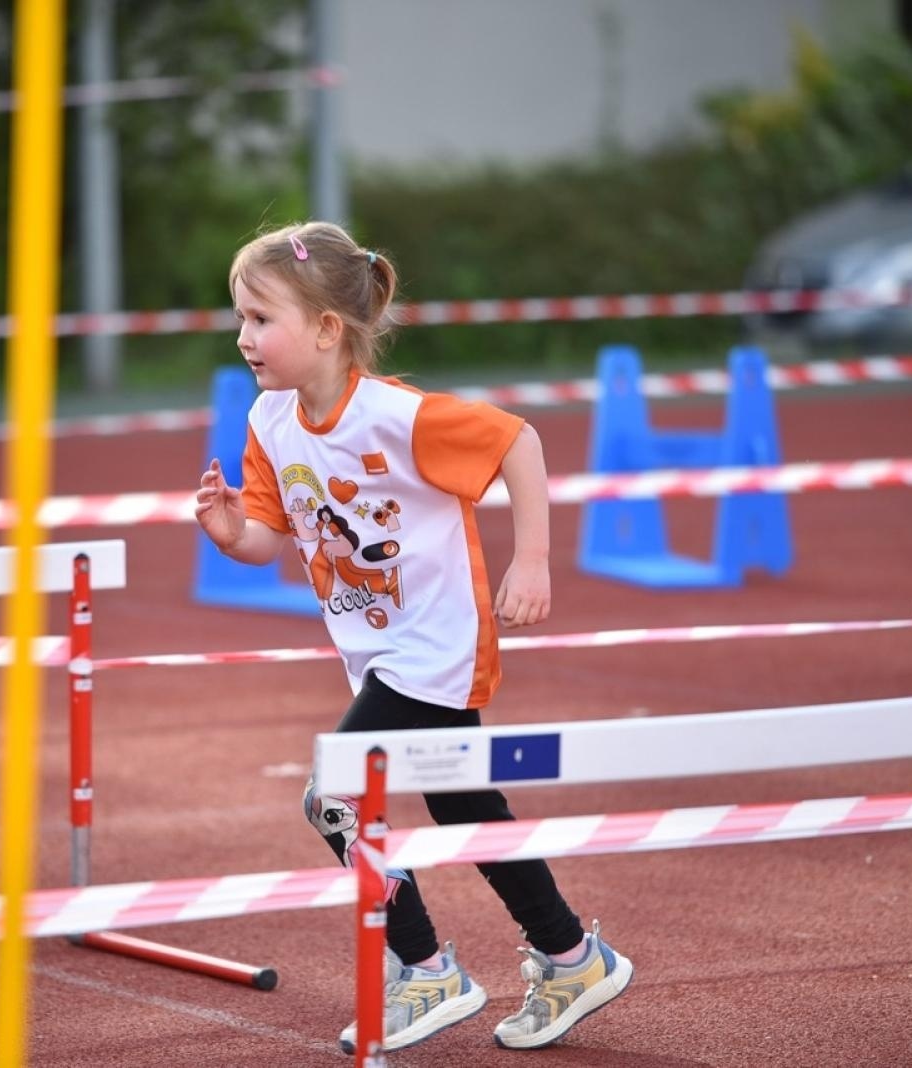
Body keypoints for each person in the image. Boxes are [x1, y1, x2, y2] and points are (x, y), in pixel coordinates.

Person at [194, 221, 632, 1053]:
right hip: (378, 651)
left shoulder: (399, 416)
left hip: (434, 647)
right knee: (465, 804)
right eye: (240, 318)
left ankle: (426, 970)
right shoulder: (270, 419)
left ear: (327, 329)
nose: (242, 336)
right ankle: (573, 956)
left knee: (332, 794)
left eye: (260, 318)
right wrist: (227, 532)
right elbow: (265, 537)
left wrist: (531, 562)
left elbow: (519, 443)